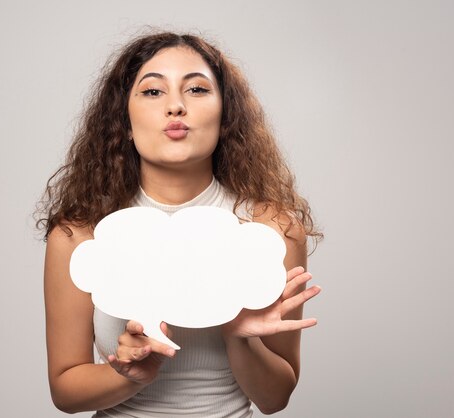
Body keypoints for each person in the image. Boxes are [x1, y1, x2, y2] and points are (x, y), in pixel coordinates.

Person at [35, 31, 324, 417]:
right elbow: (65, 393)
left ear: (226, 117)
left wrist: (240, 337)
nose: (175, 106)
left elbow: (275, 399)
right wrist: (128, 375)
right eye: (153, 92)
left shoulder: (270, 232)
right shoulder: (80, 237)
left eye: (197, 90)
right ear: (124, 119)